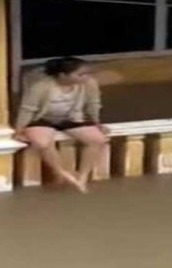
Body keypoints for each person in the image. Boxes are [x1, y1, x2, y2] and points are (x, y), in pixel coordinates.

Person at [14, 56, 108, 193]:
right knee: (42, 143)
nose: (85, 77)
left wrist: (97, 122)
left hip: (72, 117)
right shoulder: (40, 87)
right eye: (80, 74)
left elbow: (93, 104)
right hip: (43, 118)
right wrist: (19, 130)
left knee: (98, 139)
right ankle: (62, 173)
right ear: (63, 75)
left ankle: (82, 177)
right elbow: (27, 109)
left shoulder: (89, 83)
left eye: (87, 73)